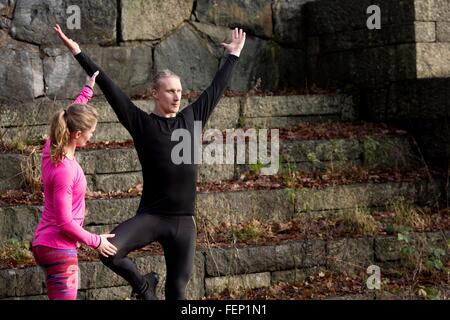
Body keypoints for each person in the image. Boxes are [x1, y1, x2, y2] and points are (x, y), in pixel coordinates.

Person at [54, 23, 246, 300]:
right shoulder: (141, 124)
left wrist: (234, 55)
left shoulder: (192, 119)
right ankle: (144, 286)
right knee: (111, 252)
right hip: (152, 216)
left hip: (183, 221)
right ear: (155, 94)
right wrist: (78, 52)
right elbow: (108, 86)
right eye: (170, 91)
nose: (177, 96)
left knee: (177, 290)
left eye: (179, 91)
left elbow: (217, 87)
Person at [32, 72, 118, 300]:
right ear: (77, 134)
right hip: (59, 249)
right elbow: (64, 221)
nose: (92, 137)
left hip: (47, 244)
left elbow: (72, 114)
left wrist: (87, 90)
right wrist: (95, 240)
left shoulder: (52, 149)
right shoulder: (65, 171)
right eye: (90, 132)